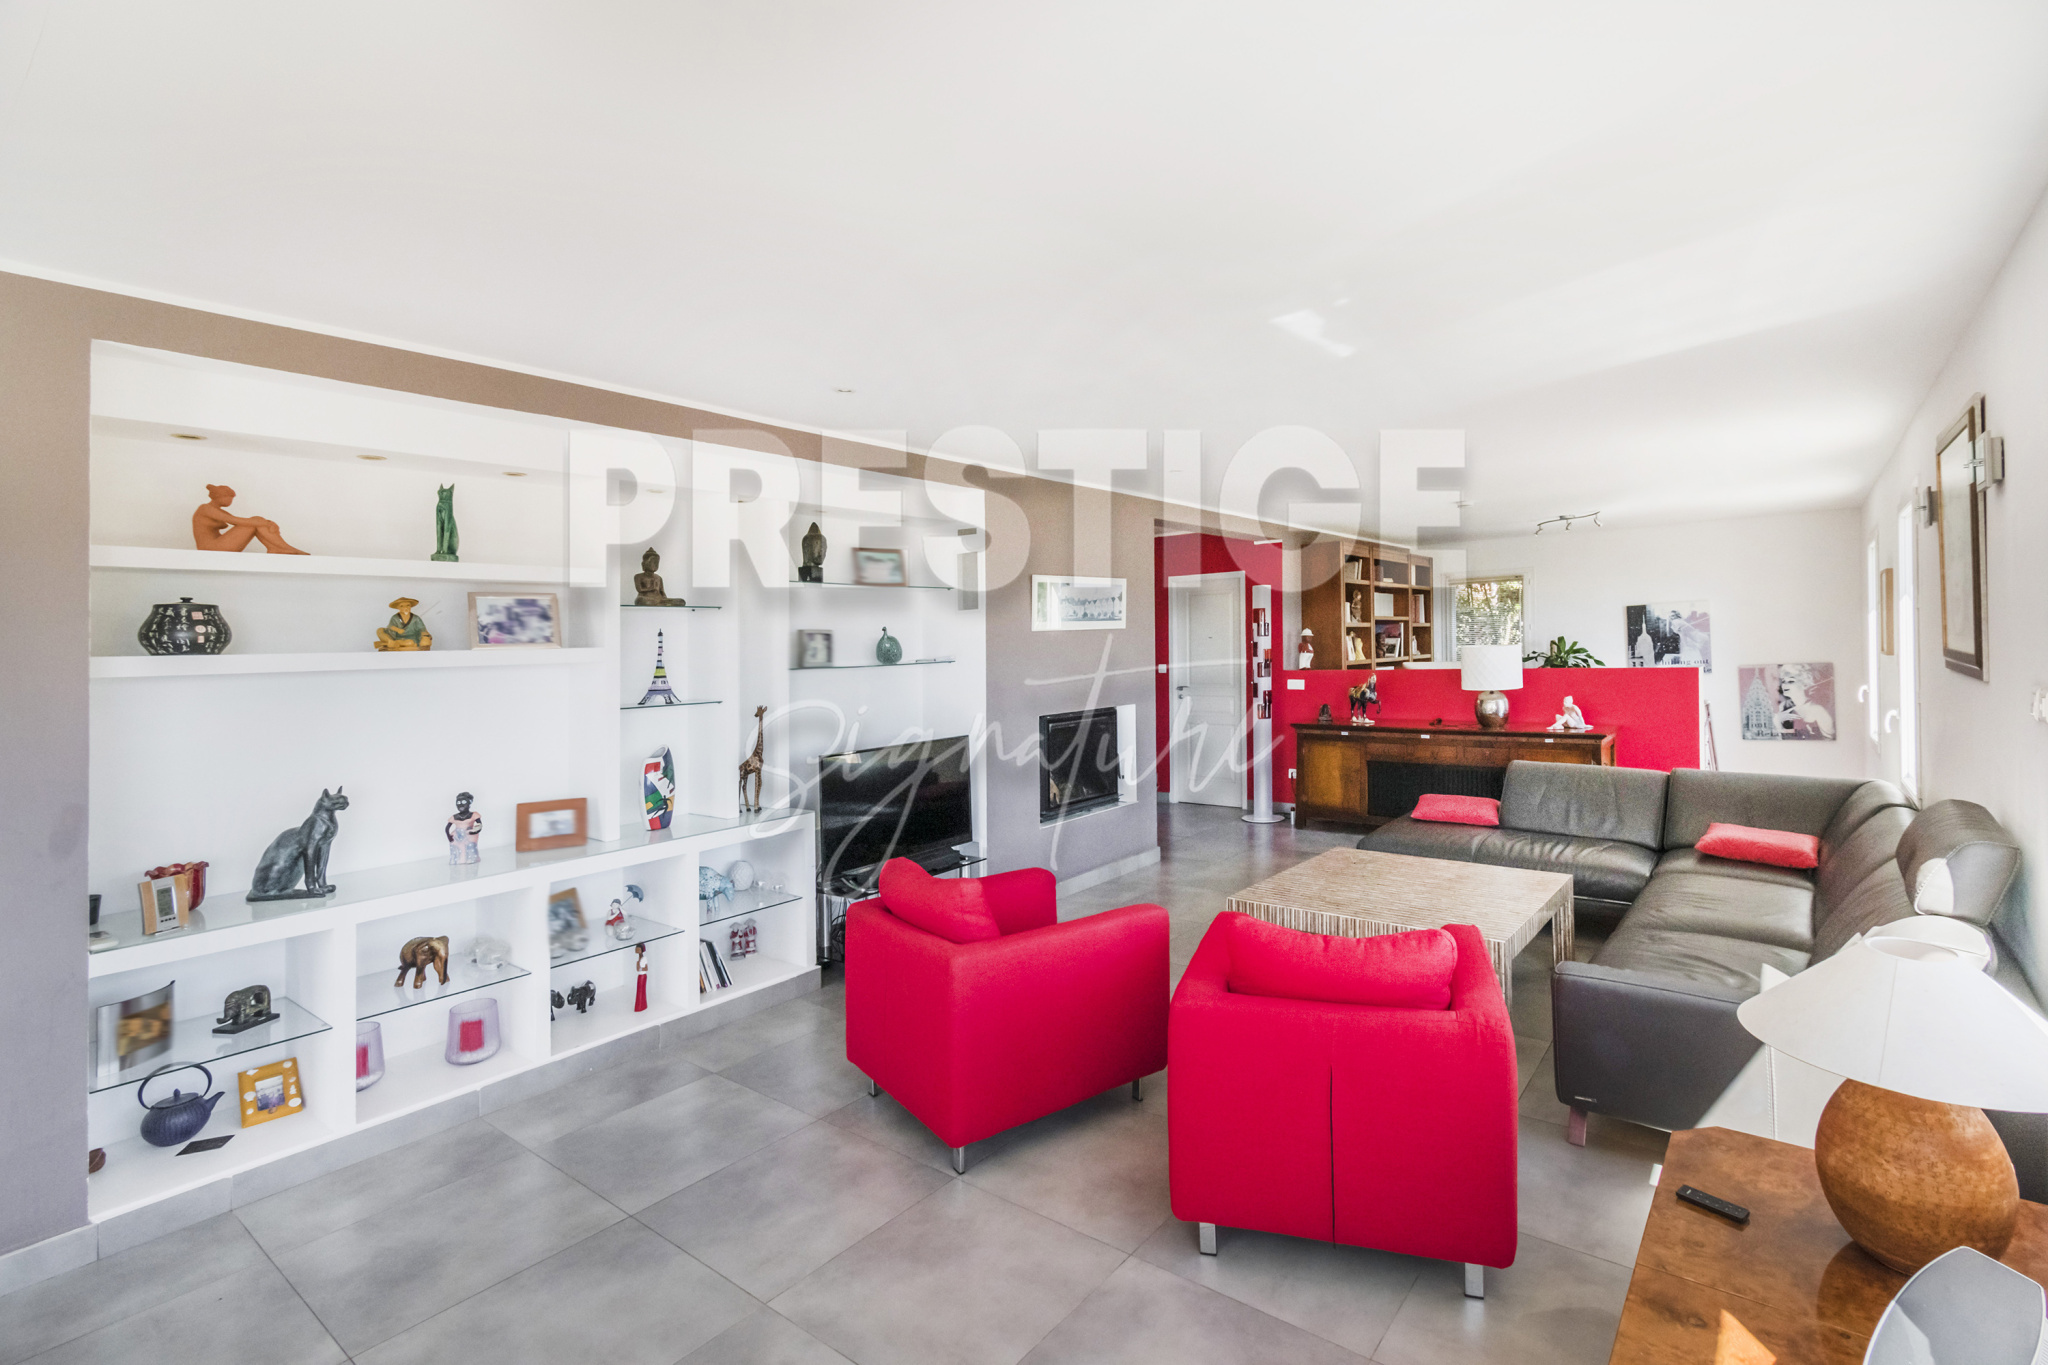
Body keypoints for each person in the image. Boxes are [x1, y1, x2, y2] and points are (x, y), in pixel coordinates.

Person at [191, 485, 307, 554]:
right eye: (228, 497)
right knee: (254, 521)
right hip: (210, 548)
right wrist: (266, 522)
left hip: (217, 545)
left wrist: (266, 522)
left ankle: (277, 547)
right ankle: (282, 547)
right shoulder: (205, 508)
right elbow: (235, 520)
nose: (230, 501)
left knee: (255, 521)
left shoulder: (219, 511)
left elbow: (240, 521)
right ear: (219, 496)